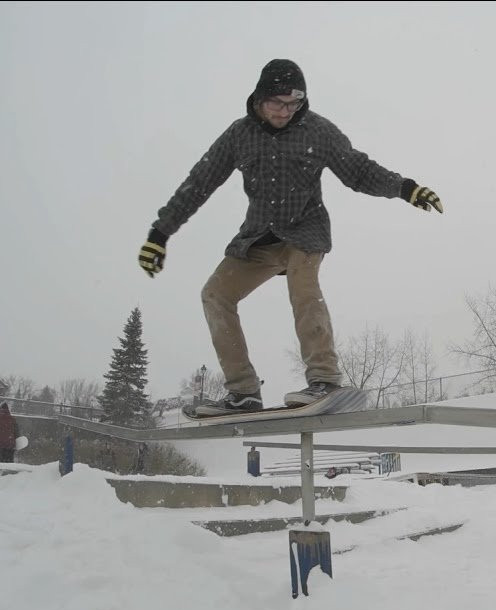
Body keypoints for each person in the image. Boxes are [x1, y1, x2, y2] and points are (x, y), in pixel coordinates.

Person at [140, 59, 443, 417]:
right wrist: (160, 233)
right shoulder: (239, 135)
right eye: (276, 104)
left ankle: (325, 379)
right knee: (215, 294)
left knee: (303, 286)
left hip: (305, 231)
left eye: (292, 104)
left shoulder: (317, 131)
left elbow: (358, 170)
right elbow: (200, 182)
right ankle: (243, 392)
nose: (285, 112)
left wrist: (405, 188)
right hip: (258, 238)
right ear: (259, 99)